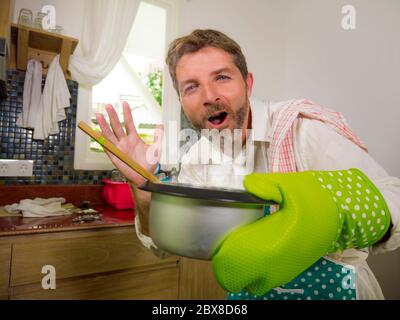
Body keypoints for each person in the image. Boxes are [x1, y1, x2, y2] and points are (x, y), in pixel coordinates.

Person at [96, 29, 400, 300]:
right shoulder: (198, 161)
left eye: (222, 77)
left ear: (248, 83)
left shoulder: (301, 130)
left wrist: (334, 216)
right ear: (181, 101)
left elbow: (393, 195)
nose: (209, 96)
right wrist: (144, 186)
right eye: (191, 87)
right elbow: (167, 245)